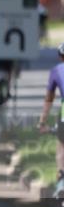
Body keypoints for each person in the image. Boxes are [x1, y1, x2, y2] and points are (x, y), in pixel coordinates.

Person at [37, 44, 64, 198]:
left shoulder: (56, 70)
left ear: (60, 57)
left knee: (61, 147)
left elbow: (49, 99)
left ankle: (61, 182)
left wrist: (42, 122)